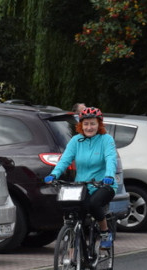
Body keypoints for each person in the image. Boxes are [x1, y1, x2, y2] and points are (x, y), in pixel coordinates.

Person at [43, 106, 118, 250]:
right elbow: (65, 160)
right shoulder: (76, 141)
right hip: (82, 185)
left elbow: (110, 159)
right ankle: (73, 262)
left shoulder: (106, 140)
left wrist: (109, 176)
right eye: (86, 124)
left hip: (103, 184)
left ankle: (104, 232)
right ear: (81, 125)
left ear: (99, 124)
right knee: (74, 214)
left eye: (93, 123)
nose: (89, 127)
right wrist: (54, 174)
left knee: (94, 204)